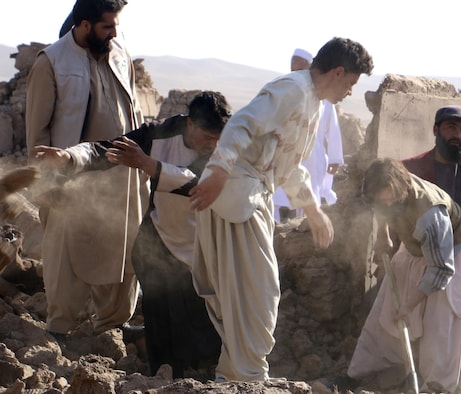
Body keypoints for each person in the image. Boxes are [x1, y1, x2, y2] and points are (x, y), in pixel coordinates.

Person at [188, 37, 374, 382]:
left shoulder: (314, 104)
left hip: (252, 196)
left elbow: (291, 164)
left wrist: (313, 210)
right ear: (337, 72)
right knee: (257, 293)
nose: (350, 92)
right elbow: (242, 124)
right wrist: (219, 170)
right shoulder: (292, 89)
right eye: (350, 83)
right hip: (237, 196)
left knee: (249, 294)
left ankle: (237, 376)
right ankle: (247, 377)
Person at [33, 91, 231, 379]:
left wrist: (149, 165)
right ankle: (163, 378)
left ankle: (206, 376)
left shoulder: (222, 148)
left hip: (200, 245)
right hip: (159, 240)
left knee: (203, 321)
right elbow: (107, 151)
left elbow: (196, 183)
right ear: (189, 124)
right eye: (206, 136)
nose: (211, 143)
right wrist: (68, 157)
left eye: (216, 138)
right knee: (160, 318)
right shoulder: (160, 133)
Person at [25, 0, 144, 340]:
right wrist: (47, 182)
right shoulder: (52, 62)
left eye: (116, 25)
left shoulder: (121, 54)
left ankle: (112, 324)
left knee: (122, 249)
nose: (115, 33)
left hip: (121, 176)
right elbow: (38, 133)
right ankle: (60, 329)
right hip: (71, 179)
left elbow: (133, 112)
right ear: (85, 25)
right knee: (66, 254)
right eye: (108, 26)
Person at [348, 158, 461, 393]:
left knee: (439, 321)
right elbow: (381, 207)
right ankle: (369, 371)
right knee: (386, 311)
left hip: (449, 256)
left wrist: (409, 304)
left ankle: (436, 387)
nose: (386, 204)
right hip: (414, 247)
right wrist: (383, 236)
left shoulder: (431, 215)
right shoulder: (385, 193)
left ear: (402, 191)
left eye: (390, 200)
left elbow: (441, 269)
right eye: (381, 201)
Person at [401, 104, 461, 350]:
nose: (457, 135)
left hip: (460, 257)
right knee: (417, 316)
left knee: (454, 316)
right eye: (451, 127)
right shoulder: (412, 168)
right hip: (420, 256)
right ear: (436, 130)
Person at [272, 48, 345, 221]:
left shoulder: (325, 99)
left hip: (313, 158)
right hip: (288, 155)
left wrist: (335, 158)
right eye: (293, 69)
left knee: (308, 196)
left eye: (300, 69)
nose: (296, 73)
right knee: (280, 196)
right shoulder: (286, 91)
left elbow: (332, 130)